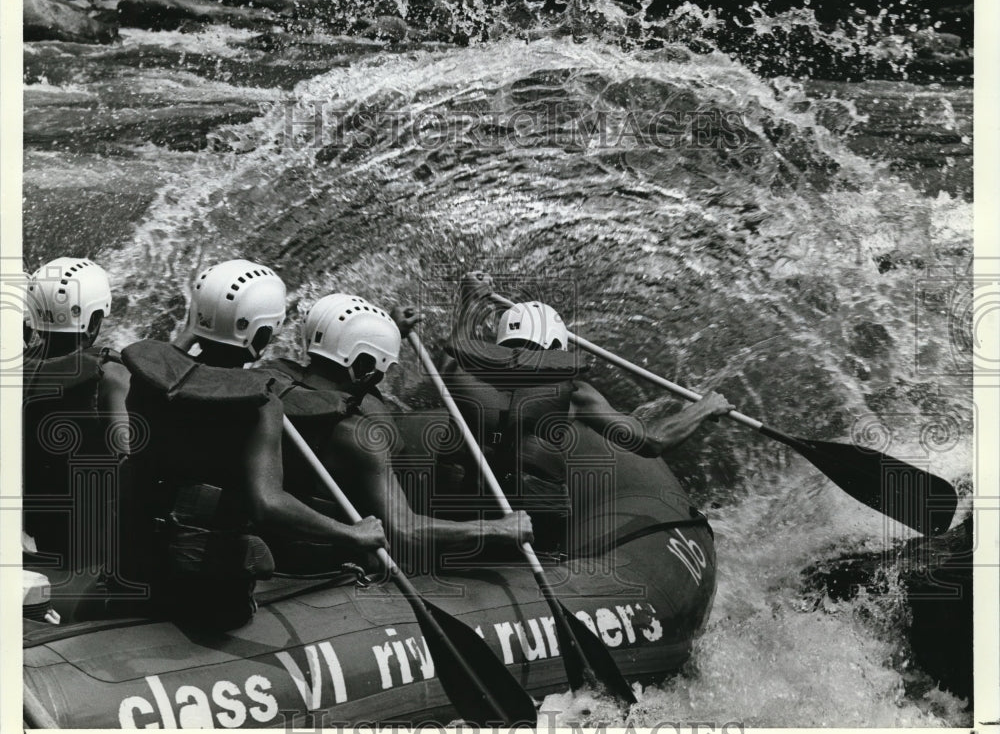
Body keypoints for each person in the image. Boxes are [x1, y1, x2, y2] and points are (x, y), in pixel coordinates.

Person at [120, 260, 387, 630]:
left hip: (135, 565)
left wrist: (198, 328)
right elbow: (269, 504)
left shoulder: (148, 379)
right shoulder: (261, 404)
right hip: (208, 595)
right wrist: (353, 534)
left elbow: (175, 360)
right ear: (262, 335)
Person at [439, 271, 734, 552]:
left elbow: (460, 344)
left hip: (462, 527)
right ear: (556, 344)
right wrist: (704, 407)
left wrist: (471, 300)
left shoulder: (456, 374)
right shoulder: (575, 394)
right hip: (533, 536)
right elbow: (652, 440)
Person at [260, 293, 533, 577]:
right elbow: (405, 531)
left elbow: (347, 363)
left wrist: (385, 332)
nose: (380, 375)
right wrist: (497, 528)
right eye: (380, 367)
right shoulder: (359, 437)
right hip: (336, 558)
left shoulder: (272, 380)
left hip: (285, 534)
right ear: (364, 367)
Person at [22, 257, 131, 576]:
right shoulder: (111, 376)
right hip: (91, 544)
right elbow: (130, 459)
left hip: (35, 526)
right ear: (94, 321)